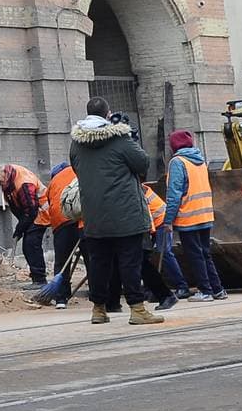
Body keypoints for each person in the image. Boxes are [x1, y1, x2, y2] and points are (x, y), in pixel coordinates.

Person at [68, 97, 162, 326]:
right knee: (129, 262)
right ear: (108, 114)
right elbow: (142, 163)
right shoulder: (119, 138)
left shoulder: (77, 143)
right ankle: (137, 309)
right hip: (125, 213)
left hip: (94, 215)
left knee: (99, 263)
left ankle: (98, 309)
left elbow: (77, 168)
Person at [164, 130, 227, 301]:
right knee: (205, 253)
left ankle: (205, 291)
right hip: (205, 215)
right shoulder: (200, 161)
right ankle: (218, 289)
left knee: (195, 255)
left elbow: (174, 194)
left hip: (188, 217)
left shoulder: (178, 162)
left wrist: (168, 220)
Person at [0, 162, 48, 286]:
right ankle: (37, 278)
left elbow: (31, 210)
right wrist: (21, 227)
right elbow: (18, 208)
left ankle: (40, 280)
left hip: (40, 213)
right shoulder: (7, 182)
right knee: (28, 246)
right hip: (30, 215)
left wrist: (20, 229)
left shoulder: (23, 183)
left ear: (3, 171)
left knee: (31, 244)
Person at [35, 160, 80, 308]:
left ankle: (61, 298)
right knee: (92, 258)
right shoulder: (78, 171)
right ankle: (99, 298)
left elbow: (50, 204)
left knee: (62, 261)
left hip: (61, 223)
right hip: (81, 220)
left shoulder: (52, 183)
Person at [138, 183, 179, 311]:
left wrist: (148, 234)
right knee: (145, 259)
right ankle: (152, 291)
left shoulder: (138, 191)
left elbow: (147, 215)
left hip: (160, 222)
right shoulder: (137, 187)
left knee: (164, 253)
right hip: (155, 223)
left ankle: (181, 286)